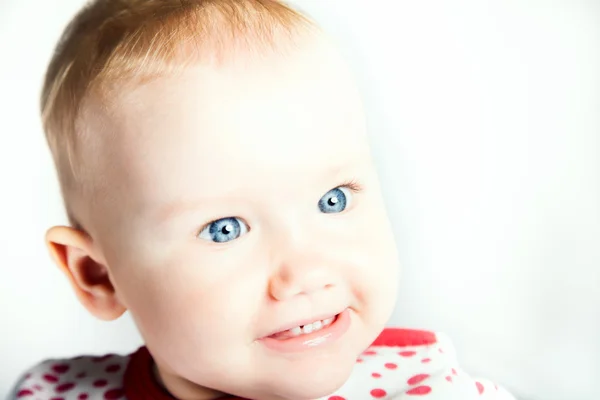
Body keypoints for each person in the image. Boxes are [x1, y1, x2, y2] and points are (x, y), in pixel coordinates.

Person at [8, 1, 517, 399]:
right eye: (224, 228)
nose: (306, 272)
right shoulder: (50, 393)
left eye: (333, 200)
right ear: (96, 274)